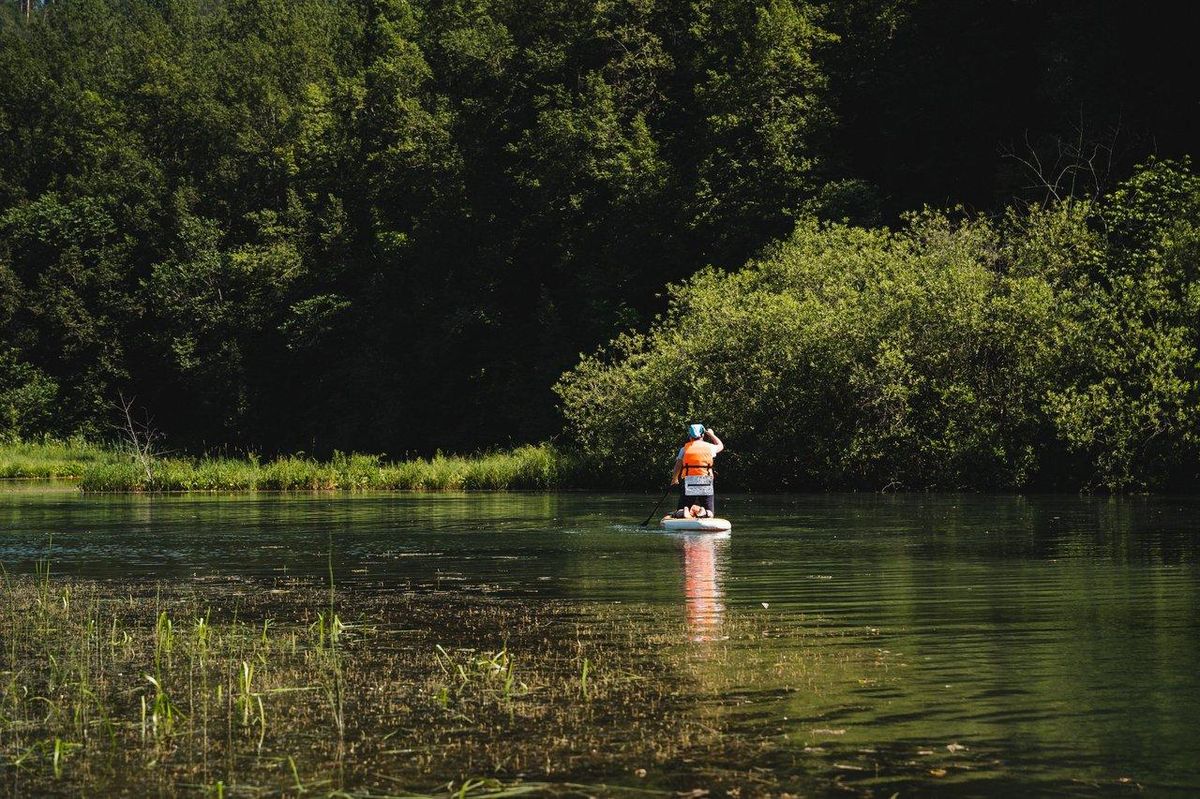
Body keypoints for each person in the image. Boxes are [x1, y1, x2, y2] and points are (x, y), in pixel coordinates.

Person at [669, 423, 723, 516]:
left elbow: (678, 465)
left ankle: (684, 510)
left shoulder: (684, 449)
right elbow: (720, 445)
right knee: (710, 512)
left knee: (681, 509)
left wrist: (675, 478)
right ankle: (704, 511)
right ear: (702, 435)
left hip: (689, 481)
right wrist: (711, 434)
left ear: (690, 436)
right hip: (706, 480)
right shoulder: (710, 447)